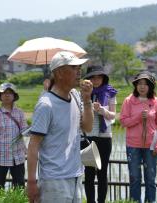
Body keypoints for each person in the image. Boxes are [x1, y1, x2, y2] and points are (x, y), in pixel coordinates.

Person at [27, 51, 94, 203]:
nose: (79, 71)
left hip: (76, 175)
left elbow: (88, 127)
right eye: (73, 67)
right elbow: (33, 145)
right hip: (54, 180)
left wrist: (87, 99)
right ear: (59, 73)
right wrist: (31, 182)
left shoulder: (76, 96)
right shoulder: (46, 105)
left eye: (79, 67)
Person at [119, 71, 157, 203]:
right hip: (133, 145)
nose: (142, 87)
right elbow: (123, 121)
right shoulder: (129, 101)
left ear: (151, 86)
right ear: (135, 85)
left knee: (150, 178)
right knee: (134, 178)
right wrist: (138, 117)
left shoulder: (156, 102)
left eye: (146, 84)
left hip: (151, 146)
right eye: (139, 83)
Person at [82, 65, 117, 203]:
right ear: (88, 79)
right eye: (93, 77)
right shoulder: (83, 93)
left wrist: (101, 110)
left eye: (99, 77)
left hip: (104, 137)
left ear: (104, 78)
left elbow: (113, 115)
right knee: (89, 173)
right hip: (87, 137)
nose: (96, 80)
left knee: (102, 173)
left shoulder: (110, 93)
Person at [0, 83, 28, 189]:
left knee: (19, 186)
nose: (7, 95)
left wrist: (33, 130)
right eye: (4, 93)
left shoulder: (19, 113)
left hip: (18, 156)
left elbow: (24, 130)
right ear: (0, 96)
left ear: (14, 96)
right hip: (0, 156)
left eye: (10, 93)